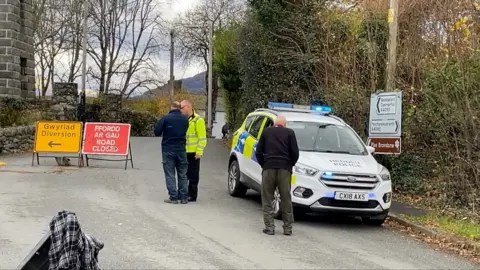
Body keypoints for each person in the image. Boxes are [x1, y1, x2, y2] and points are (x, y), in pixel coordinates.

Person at [255, 115, 299, 236]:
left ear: (275, 123)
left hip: (268, 168)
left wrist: (264, 165)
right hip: (284, 169)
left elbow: (258, 151)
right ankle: (287, 228)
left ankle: (270, 227)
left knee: (267, 198)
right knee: (285, 198)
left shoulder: (266, 131)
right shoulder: (290, 133)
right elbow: (295, 153)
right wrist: (290, 165)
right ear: (284, 124)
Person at [154, 101, 189, 204]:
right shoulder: (185, 119)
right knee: (182, 173)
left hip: (168, 149)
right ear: (179, 108)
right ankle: (183, 197)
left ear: (171, 107)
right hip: (181, 149)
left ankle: (173, 197)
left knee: (170, 174)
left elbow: (157, 132)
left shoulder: (166, 118)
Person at [180, 99, 207, 202]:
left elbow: (202, 138)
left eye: (182, 108)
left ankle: (192, 194)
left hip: (194, 152)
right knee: (183, 174)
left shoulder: (198, 120)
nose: (181, 110)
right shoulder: (184, 119)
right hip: (184, 151)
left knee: (193, 175)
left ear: (188, 107)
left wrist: (199, 152)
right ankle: (183, 193)